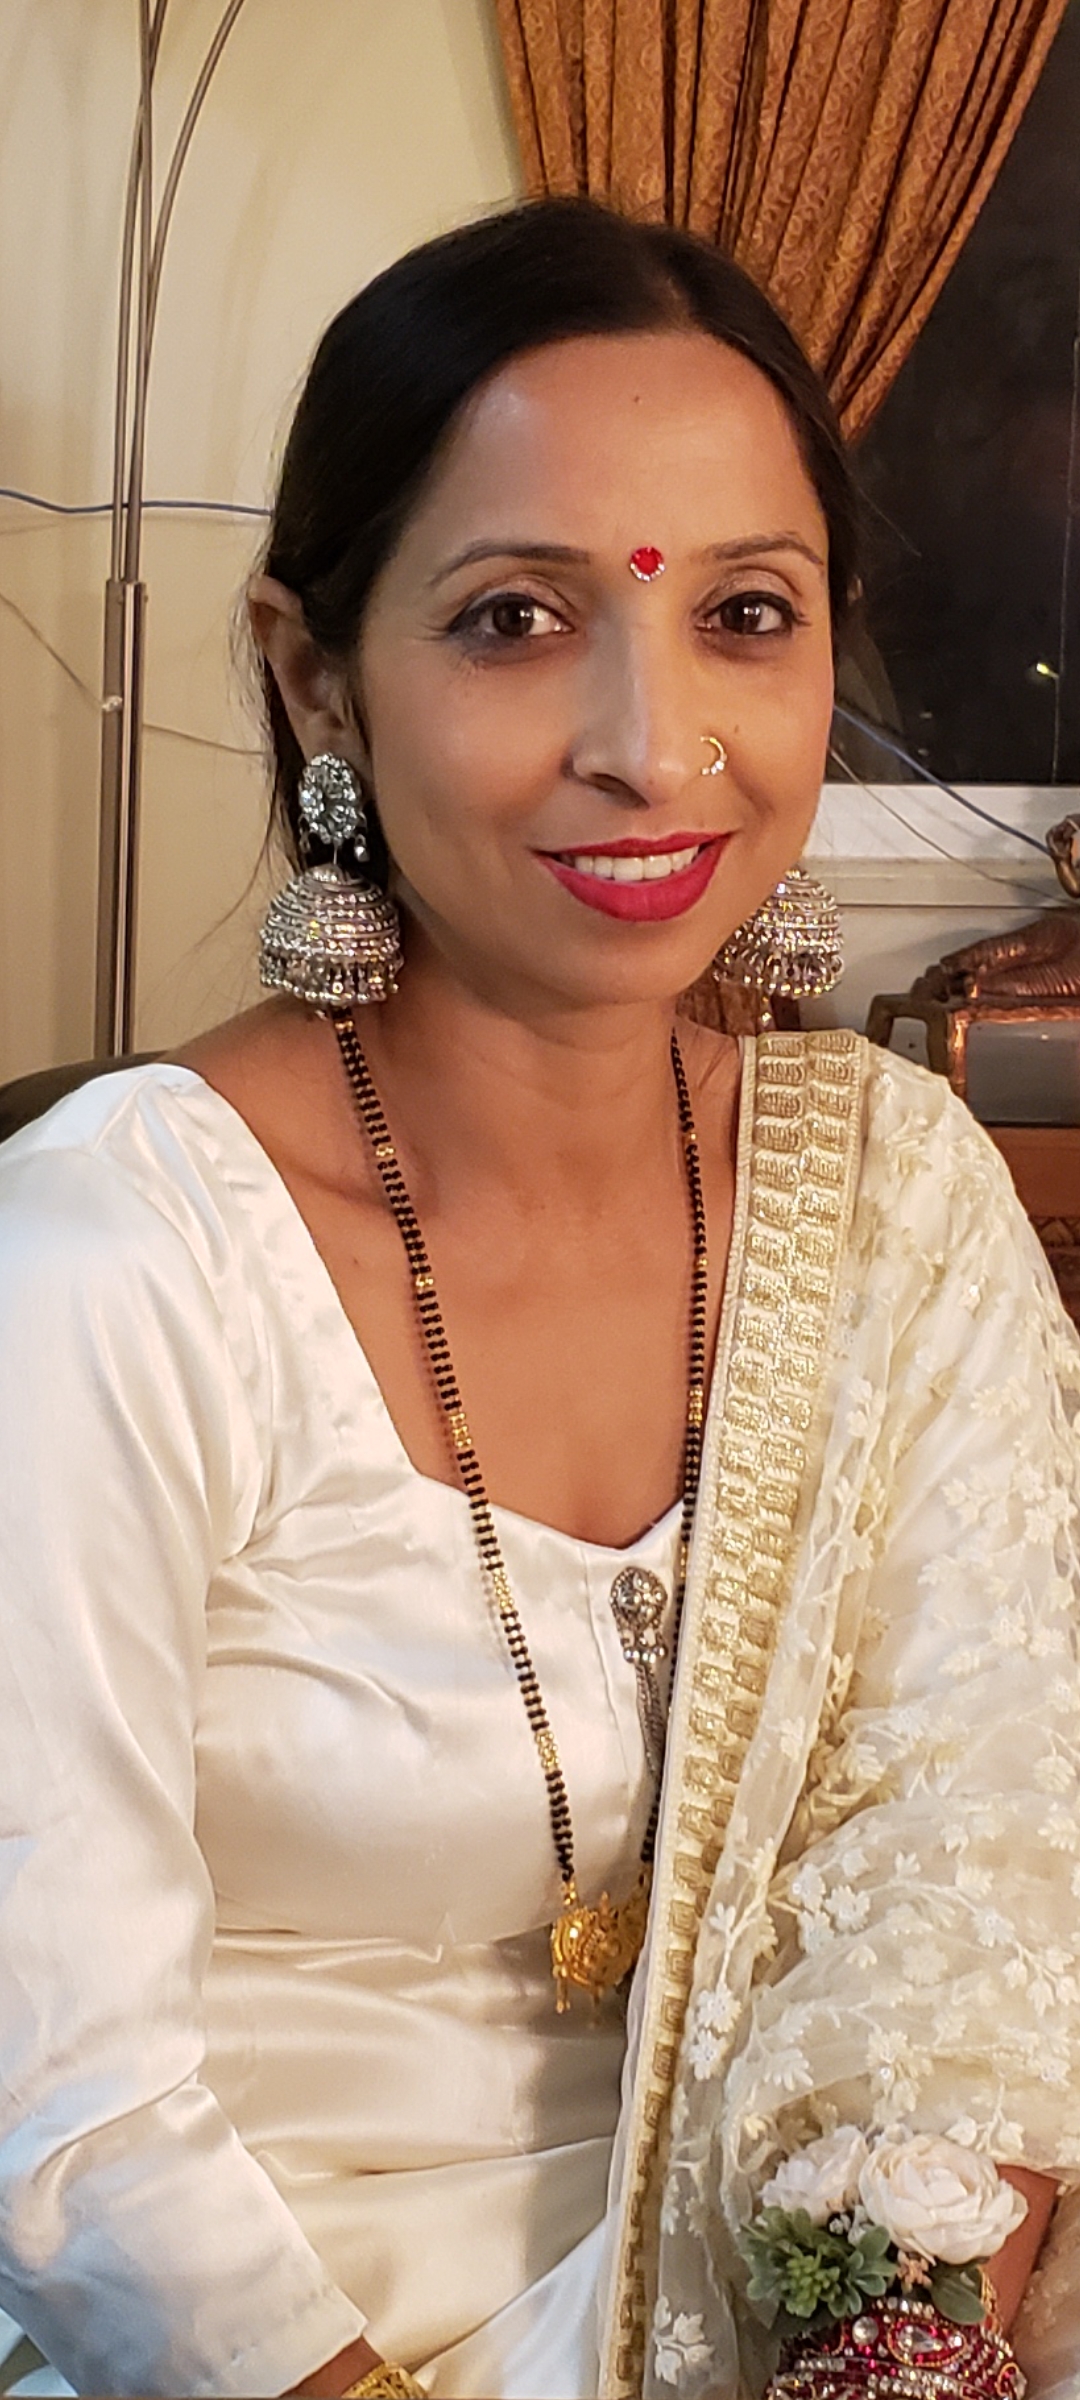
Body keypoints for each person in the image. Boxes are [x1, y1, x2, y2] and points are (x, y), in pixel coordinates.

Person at [0, 198, 1078, 2400]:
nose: (653, 747)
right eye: (515, 619)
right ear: (316, 675)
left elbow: (982, 1847)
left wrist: (896, 2346)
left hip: (818, 2285)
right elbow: (60, 2105)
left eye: (744, 616)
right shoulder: (118, 1261)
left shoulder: (897, 1204)